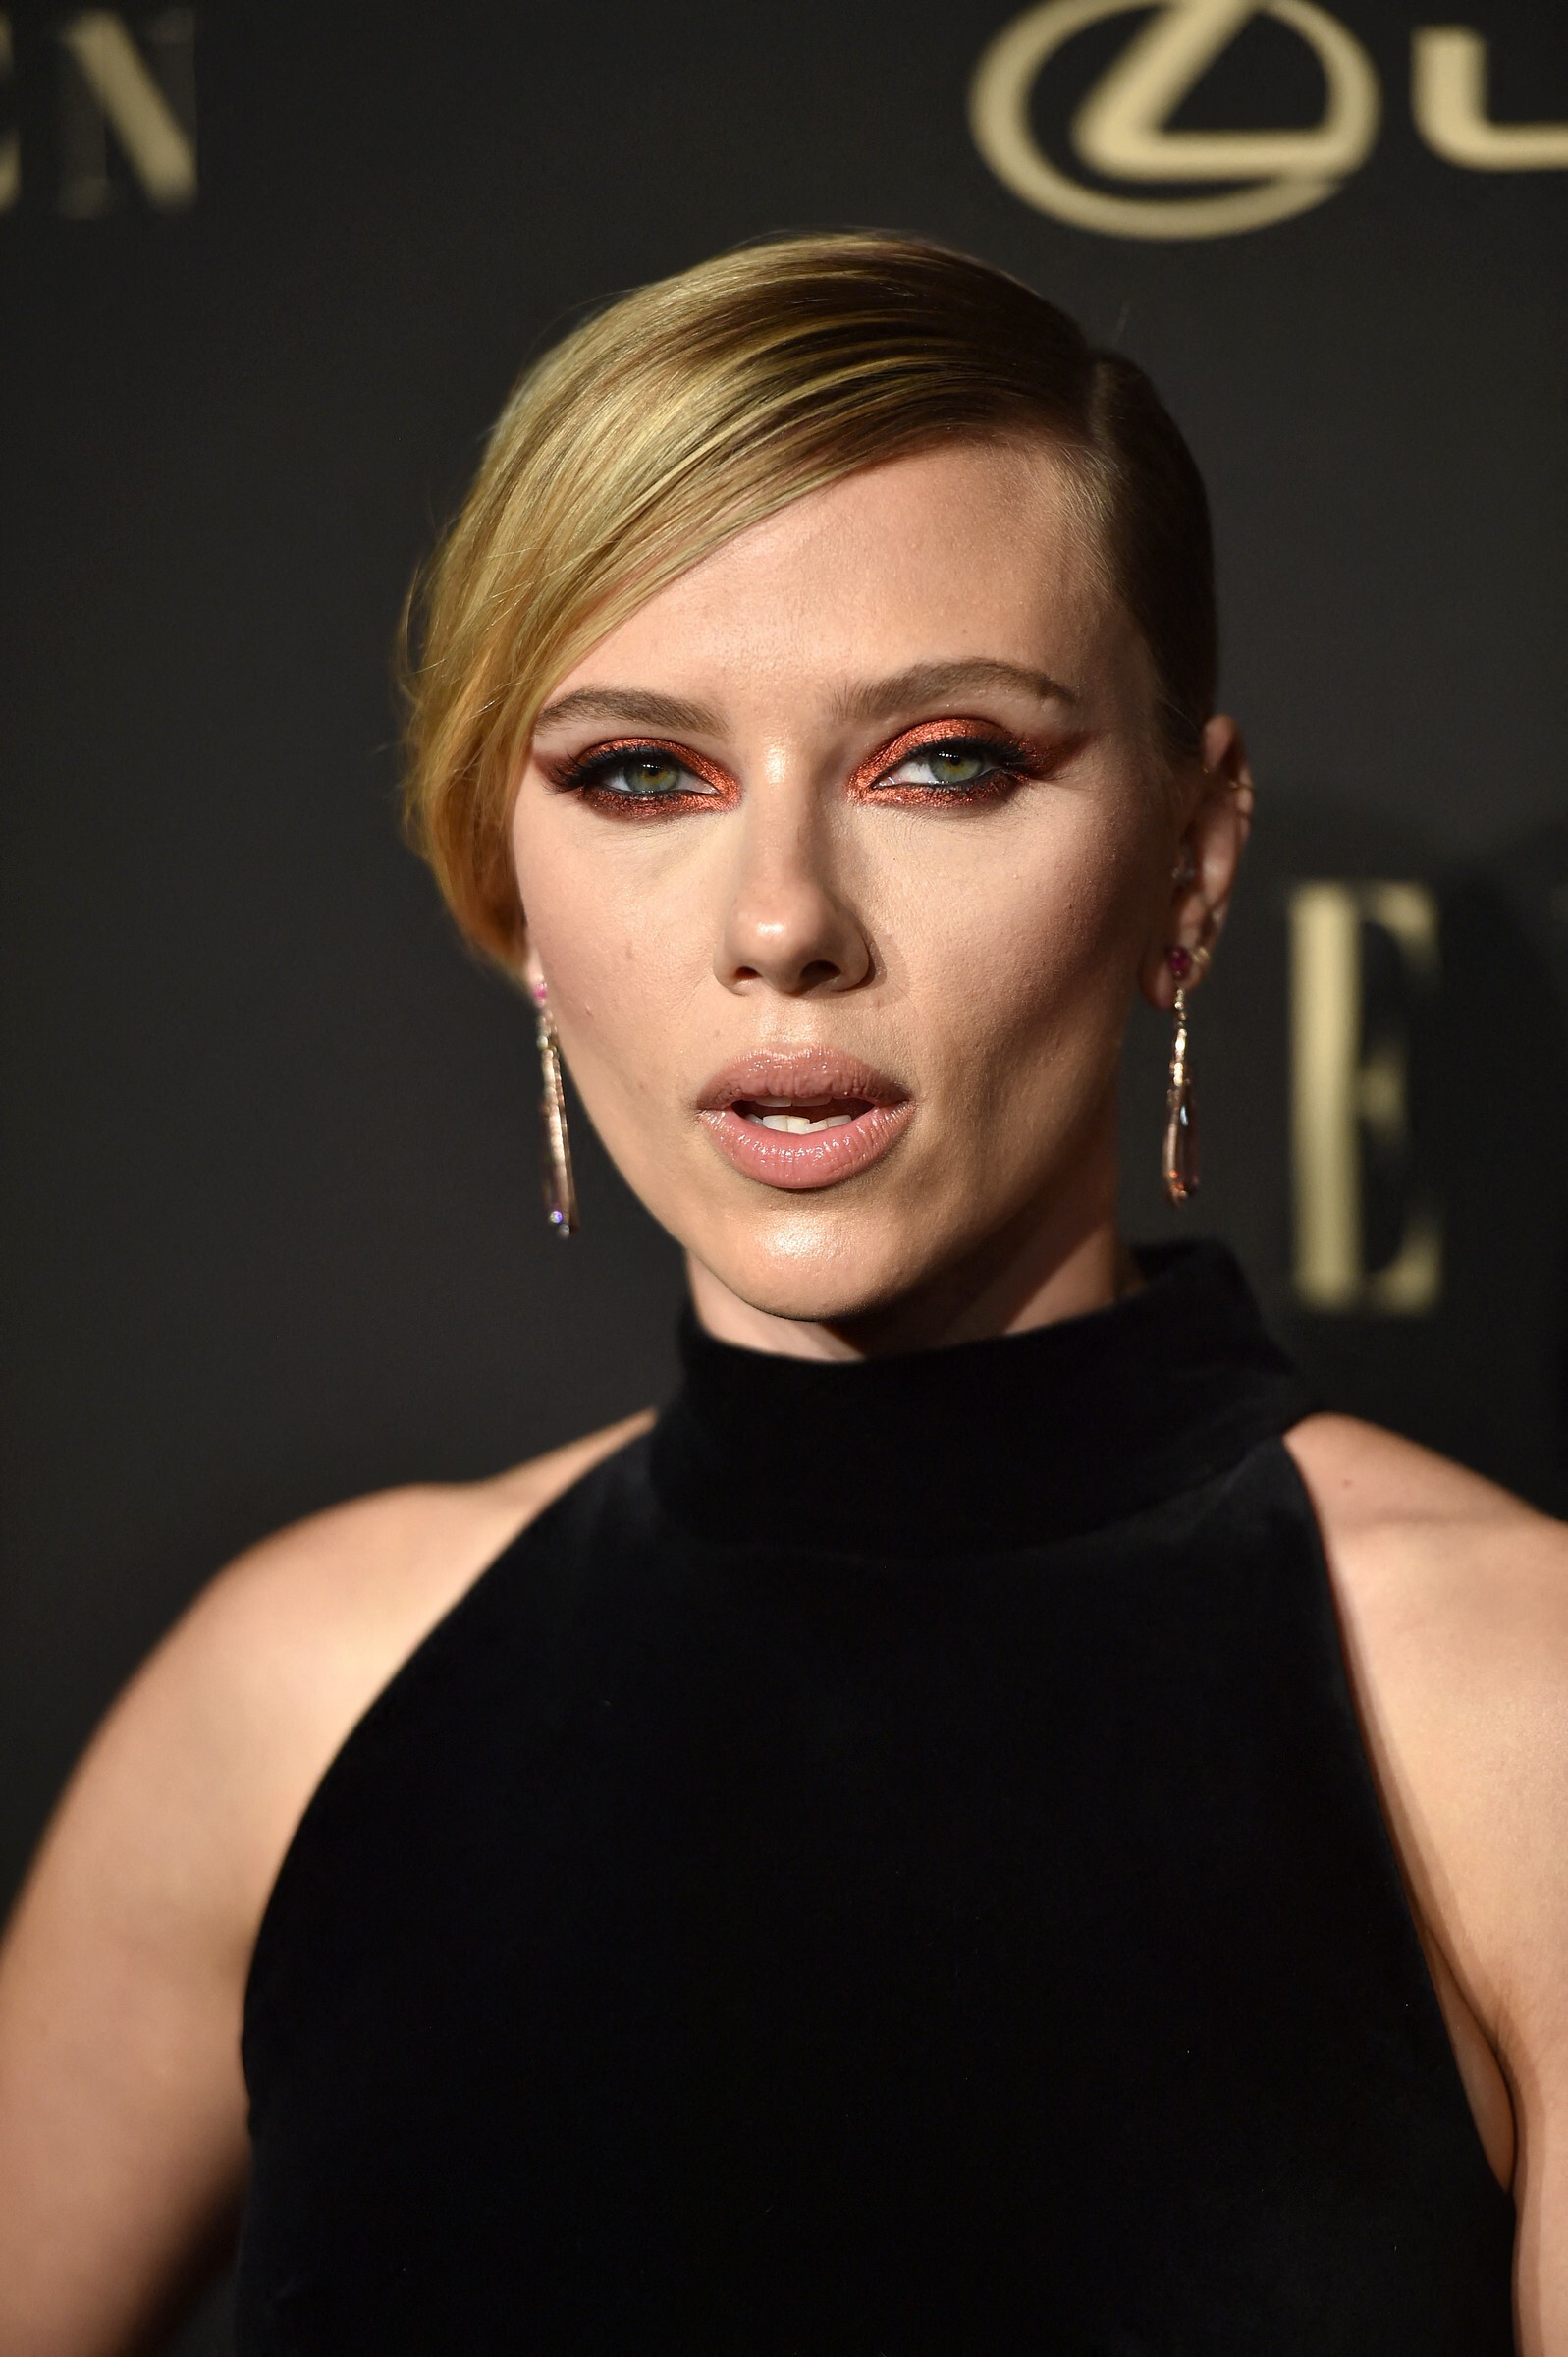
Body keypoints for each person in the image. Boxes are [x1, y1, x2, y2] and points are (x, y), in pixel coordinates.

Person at [0, 231, 1561, 2356]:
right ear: (509, 885)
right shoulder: (296, 1693)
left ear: (1189, 865)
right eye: (640, 774)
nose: (782, 922)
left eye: (945, 760)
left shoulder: (1512, 1709)